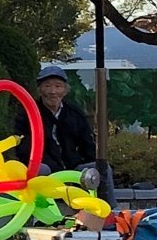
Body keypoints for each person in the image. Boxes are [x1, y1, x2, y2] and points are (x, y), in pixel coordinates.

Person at [23, 63, 105, 192]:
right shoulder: (28, 113)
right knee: (40, 169)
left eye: (58, 86)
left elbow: (87, 143)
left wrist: (90, 163)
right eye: (47, 86)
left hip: (73, 167)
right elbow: (24, 147)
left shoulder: (75, 113)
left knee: (100, 168)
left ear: (65, 90)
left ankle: (109, 208)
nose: (52, 92)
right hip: (46, 167)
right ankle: (41, 209)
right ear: (39, 89)